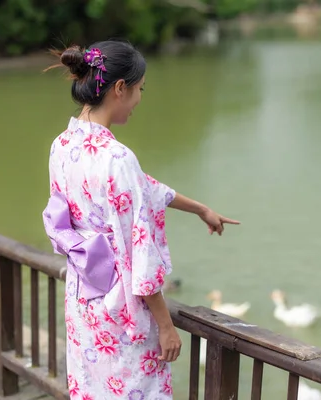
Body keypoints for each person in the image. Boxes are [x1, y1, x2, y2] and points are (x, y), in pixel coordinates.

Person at [41, 40, 240, 399]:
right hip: (121, 310)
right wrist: (165, 325)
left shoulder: (63, 144)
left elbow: (143, 189)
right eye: (139, 89)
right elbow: (139, 254)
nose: (139, 100)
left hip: (85, 300)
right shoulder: (117, 158)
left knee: (94, 390)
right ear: (120, 88)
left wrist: (199, 208)